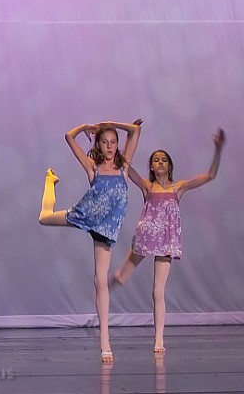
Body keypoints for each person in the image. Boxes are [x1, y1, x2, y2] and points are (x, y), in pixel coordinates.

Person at [113, 128, 225, 354]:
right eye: (156, 160)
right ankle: (105, 289)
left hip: (165, 241)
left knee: (158, 290)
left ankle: (159, 339)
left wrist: (218, 149)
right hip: (146, 237)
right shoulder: (148, 186)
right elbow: (125, 165)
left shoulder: (178, 187)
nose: (160, 162)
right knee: (122, 277)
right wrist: (128, 138)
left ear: (170, 166)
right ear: (151, 167)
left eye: (164, 159)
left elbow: (210, 175)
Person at [38, 120, 142, 363]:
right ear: (98, 145)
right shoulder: (92, 167)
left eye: (113, 142)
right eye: (105, 142)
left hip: (105, 228)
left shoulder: (124, 166)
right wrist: (85, 126)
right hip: (84, 215)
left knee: (100, 280)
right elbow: (68, 136)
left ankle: (105, 342)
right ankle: (50, 182)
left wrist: (110, 124)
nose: (109, 147)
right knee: (44, 218)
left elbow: (135, 131)